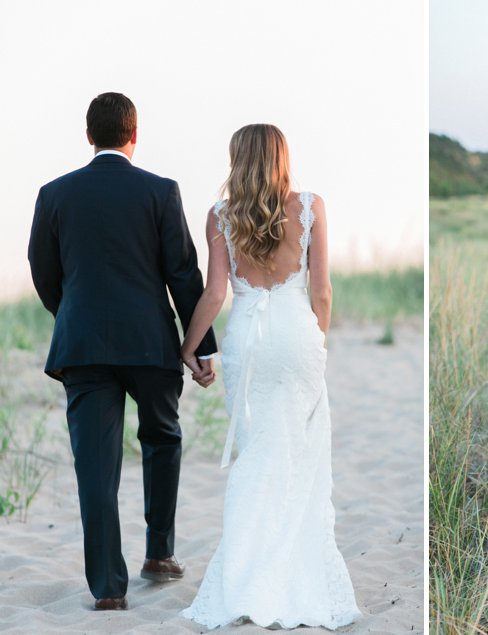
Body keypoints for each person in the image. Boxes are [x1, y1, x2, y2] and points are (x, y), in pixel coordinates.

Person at [27, 92, 216, 611]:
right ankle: (159, 553)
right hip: (150, 343)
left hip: (83, 345)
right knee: (162, 439)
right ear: (135, 136)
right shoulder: (160, 191)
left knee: (95, 464)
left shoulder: (54, 194)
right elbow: (182, 271)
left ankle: (109, 589)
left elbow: (44, 272)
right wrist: (198, 347)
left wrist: (73, 315)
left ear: (89, 136)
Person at [179, 124, 360, 629]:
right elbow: (321, 291)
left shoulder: (221, 215)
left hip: (247, 342)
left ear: (238, 158)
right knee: (299, 456)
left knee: (257, 451)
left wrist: (189, 349)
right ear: (283, 156)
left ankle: (248, 575)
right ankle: (287, 572)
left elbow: (215, 295)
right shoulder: (310, 206)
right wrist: (317, 340)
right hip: (297, 336)